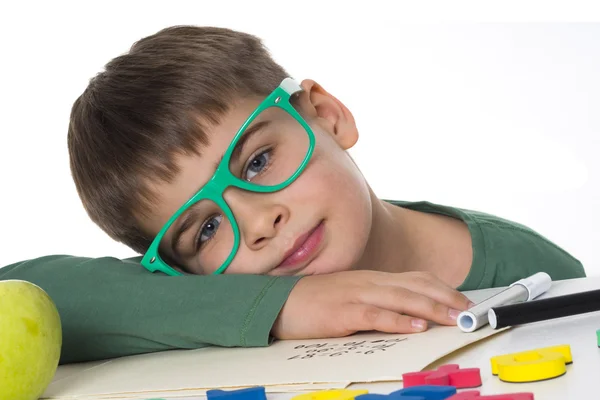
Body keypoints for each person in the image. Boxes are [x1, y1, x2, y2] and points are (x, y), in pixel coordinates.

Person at [0, 25, 585, 365]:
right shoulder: (209, 298)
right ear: (179, 275)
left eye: (256, 161)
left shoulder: (536, 269)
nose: (257, 223)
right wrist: (282, 306)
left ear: (327, 116)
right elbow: (27, 289)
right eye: (205, 229)